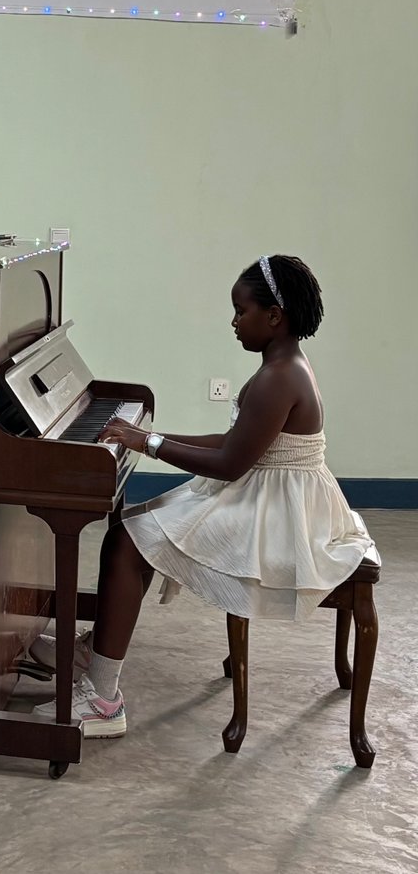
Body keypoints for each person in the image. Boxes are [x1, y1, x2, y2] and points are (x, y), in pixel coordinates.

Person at [37, 254, 377, 738]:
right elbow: (235, 441)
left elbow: (230, 462)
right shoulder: (283, 364)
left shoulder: (278, 378)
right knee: (133, 530)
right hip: (272, 492)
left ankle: (104, 700)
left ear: (274, 316)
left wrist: (148, 443)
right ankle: (98, 654)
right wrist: (152, 436)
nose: (234, 321)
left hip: (282, 515)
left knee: (127, 544)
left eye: (240, 311)